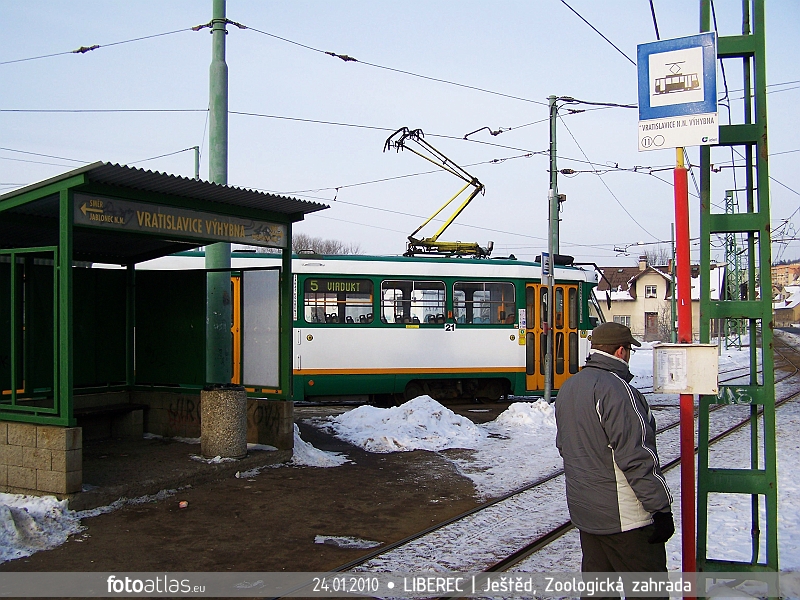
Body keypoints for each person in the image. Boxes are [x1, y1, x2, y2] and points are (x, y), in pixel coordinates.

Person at [555, 322, 674, 591]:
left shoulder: (569, 388)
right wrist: (661, 508)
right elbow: (637, 458)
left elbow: (565, 446)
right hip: (627, 521)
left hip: (588, 517)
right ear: (622, 351)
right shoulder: (620, 391)